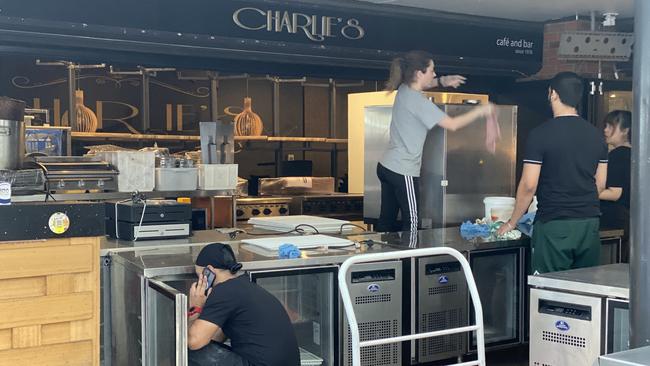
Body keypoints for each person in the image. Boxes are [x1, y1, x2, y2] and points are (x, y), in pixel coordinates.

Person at [497, 72, 608, 274]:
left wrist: (512, 222)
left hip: (554, 225)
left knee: (551, 296)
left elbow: (529, 185)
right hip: (589, 224)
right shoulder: (597, 136)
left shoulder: (540, 134)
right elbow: (600, 184)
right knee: (586, 292)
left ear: (553, 94)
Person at [376, 50, 495, 233]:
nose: (434, 74)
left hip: (386, 166)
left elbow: (424, 85)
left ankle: (380, 260)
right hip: (403, 169)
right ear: (419, 73)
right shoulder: (419, 102)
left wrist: (443, 82)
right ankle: (411, 261)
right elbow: (452, 124)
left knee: (386, 221)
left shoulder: (404, 90)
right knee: (413, 222)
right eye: (432, 71)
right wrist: (481, 111)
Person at [187, 243, 300, 366]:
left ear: (209, 271)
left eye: (200, 276)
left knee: (187, 351)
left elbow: (193, 342)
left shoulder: (223, 291)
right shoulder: (244, 286)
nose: (199, 282)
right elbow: (214, 338)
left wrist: (196, 307)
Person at [599, 110, 632, 261]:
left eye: (611, 126)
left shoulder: (617, 156)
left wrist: (585, 192)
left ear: (626, 130)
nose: (605, 130)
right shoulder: (637, 155)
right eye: (605, 126)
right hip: (631, 219)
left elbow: (614, 193)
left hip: (615, 221)